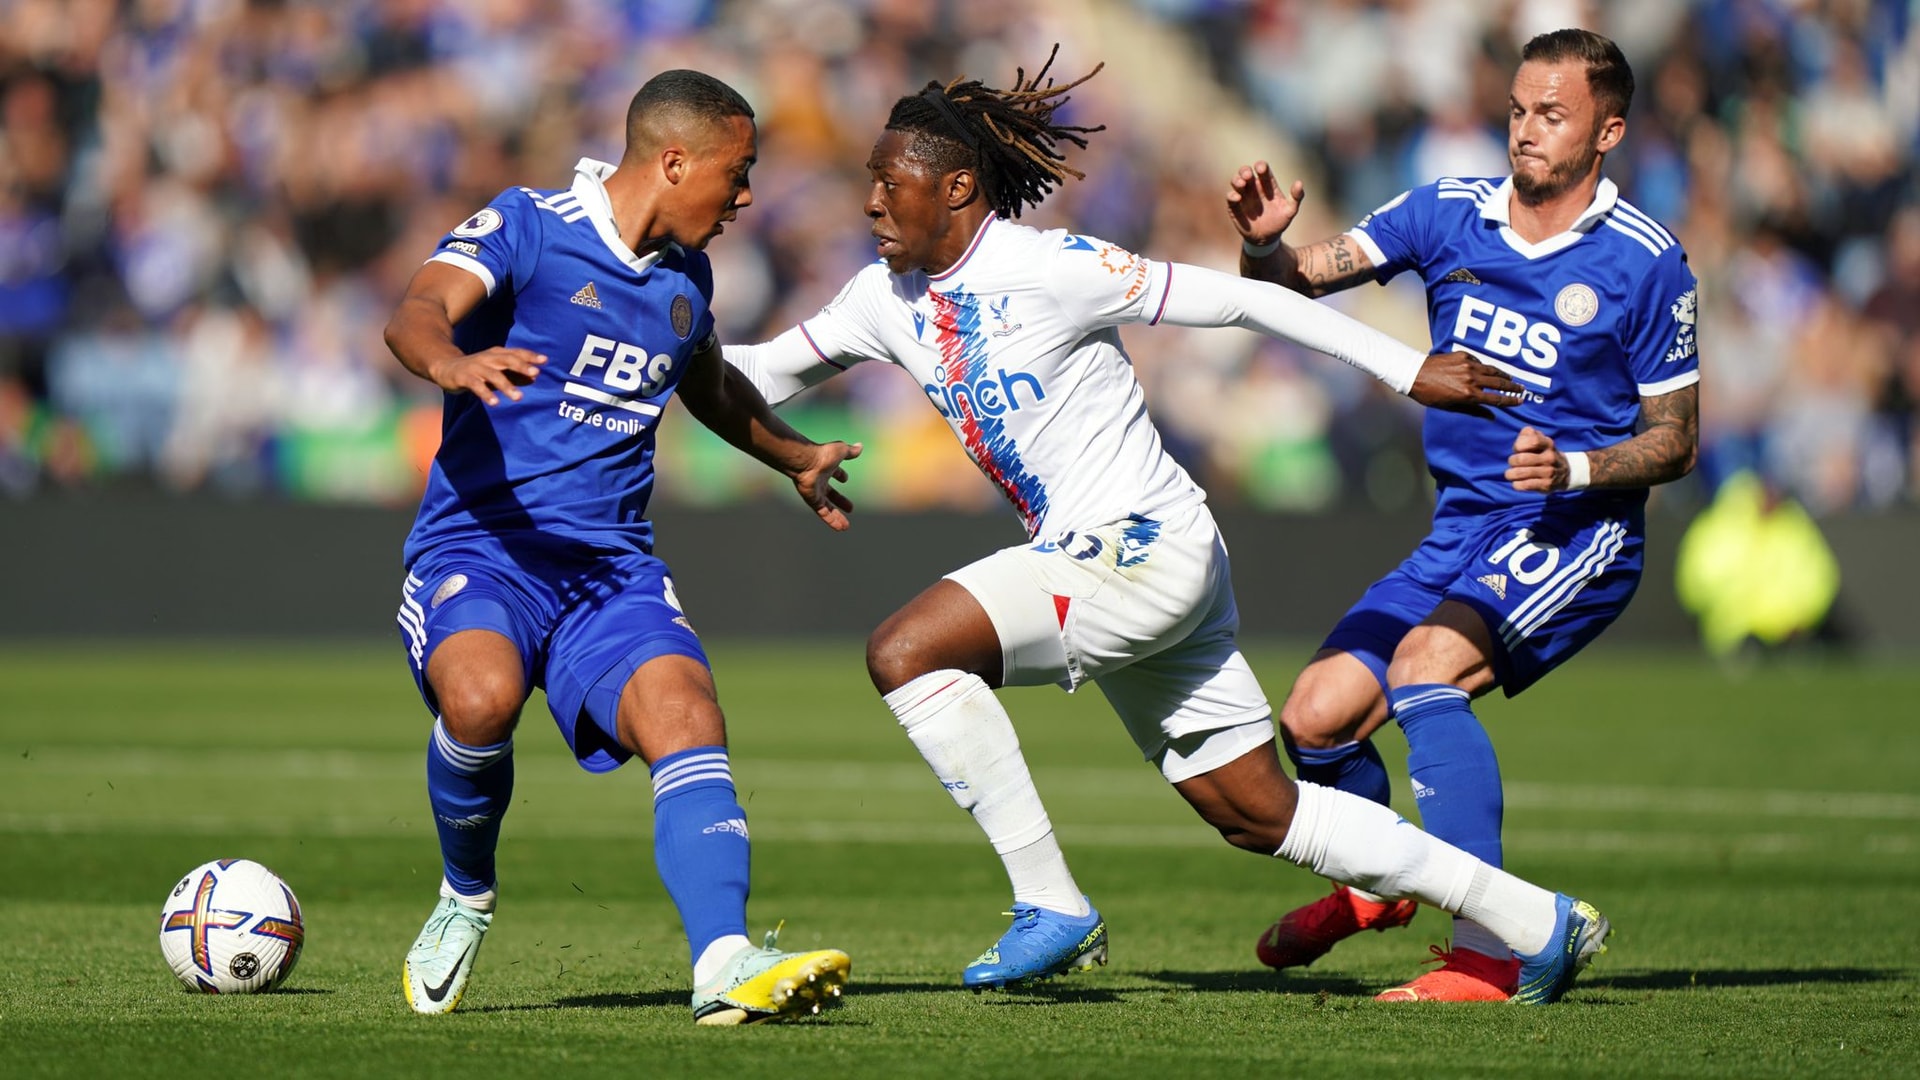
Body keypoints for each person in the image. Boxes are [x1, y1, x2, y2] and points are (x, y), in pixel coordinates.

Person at [724, 48, 1606, 1005]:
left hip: (1144, 544)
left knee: (907, 652)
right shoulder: (880, 299)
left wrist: (1407, 369)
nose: (870, 204)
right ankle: (1535, 921)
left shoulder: (1053, 265)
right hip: (1115, 560)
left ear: (958, 186)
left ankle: (1050, 904)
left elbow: (1241, 298)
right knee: (1260, 814)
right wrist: (646, 342)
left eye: (888, 184)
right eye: (869, 184)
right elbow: (755, 374)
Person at [1224, 28, 1699, 1001]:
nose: (1526, 131)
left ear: (1607, 130)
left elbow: (1677, 439)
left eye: (1552, 115)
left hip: (1579, 530)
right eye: (1519, 109)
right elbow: (1297, 284)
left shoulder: (1645, 264)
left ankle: (1489, 957)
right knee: (1313, 720)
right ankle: (1377, 887)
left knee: (1423, 669)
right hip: (1460, 528)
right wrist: (1264, 244)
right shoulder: (1446, 214)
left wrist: (1577, 466)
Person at [382, 69, 859, 1024]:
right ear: (675, 161)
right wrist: (454, 361)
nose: (747, 196)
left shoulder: (686, 276)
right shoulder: (529, 225)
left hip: (612, 572)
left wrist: (795, 454)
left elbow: (712, 386)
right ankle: (465, 896)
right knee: (481, 701)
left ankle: (722, 963)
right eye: (739, 171)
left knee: (688, 715)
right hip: (485, 545)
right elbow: (417, 310)